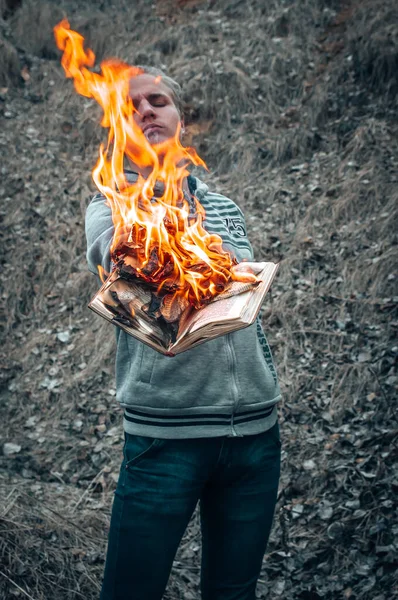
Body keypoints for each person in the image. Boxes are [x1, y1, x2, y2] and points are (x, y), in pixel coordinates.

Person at [85, 67, 282, 600]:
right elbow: (120, 259)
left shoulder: (223, 206)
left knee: (233, 593)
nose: (146, 110)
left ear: (180, 118)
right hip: (165, 440)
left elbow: (243, 293)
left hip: (255, 440)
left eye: (158, 100)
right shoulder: (110, 208)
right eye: (131, 107)